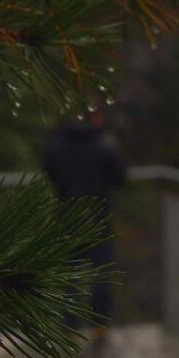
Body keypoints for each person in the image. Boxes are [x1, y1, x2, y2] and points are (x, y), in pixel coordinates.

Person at [39, 112, 127, 336]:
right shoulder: (105, 147)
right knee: (102, 276)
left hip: (68, 221)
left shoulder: (58, 146)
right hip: (99, 222)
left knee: (70, 278)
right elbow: (120, 177)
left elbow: (49, 171)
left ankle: (70, 328)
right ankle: (100, 326)